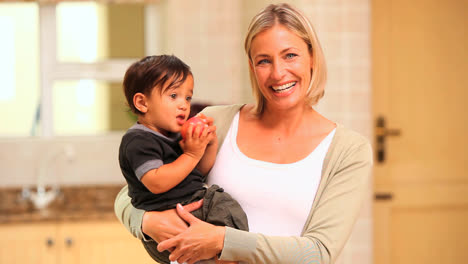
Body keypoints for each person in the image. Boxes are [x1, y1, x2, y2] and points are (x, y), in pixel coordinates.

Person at [115, 3, 372, 264]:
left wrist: (223, 241)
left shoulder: (348, 151)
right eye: (264, 61)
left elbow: (317, 253)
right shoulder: (215, 122)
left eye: (290, 55)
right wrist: (147, 221)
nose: (278, 73)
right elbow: (129, 194)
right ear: (252, 66)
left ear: (312, 58)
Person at [118, 55, 248, 264]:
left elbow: (199, 172)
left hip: (191, 211)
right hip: (170, 223)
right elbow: (157, 182)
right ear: (142, 102)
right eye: (173, 96)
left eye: (187, 98)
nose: (184, 105)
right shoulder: (138, 140)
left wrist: (209, 143)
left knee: (226, 210)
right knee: (223, 209)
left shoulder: (173, 134)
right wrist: (191, 154)